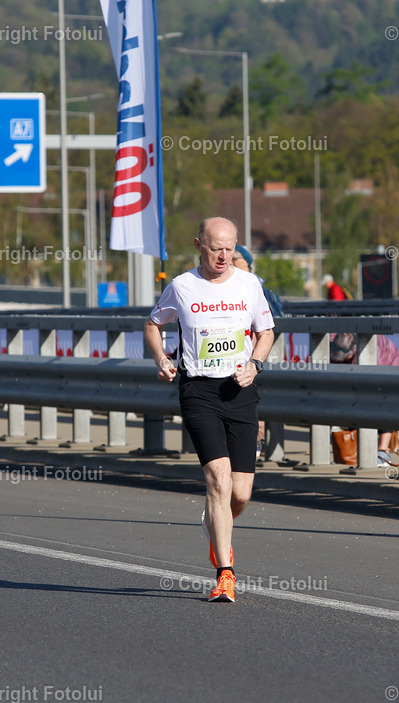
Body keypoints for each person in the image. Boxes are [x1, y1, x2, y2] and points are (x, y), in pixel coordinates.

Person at [145, 217, 275, 603]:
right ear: (199, 243)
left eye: (230, 248)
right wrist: (160, 359)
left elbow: (266, 332)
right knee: (217, 480)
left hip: (240, 389)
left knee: (240, 493)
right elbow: (153, 324)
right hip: (199, 390)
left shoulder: (249, 284)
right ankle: (225, 572)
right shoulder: (182, 286)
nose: (224, 256)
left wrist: (255, 364)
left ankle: (216, 524)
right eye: (216, 248)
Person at [231, 244, 283, 461]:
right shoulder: (222, 285)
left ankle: (255, 442)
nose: (230, 262)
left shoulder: (257, 287)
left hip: (257, 354)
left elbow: (272, 322)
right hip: (233, 355)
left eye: (235, 259)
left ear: (247, 263)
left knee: (256, 399)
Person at [330, 332, 399, 468]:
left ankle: (383, 451)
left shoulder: (373, 351)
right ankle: (358, 450)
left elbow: (375, 389)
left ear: (354, 349)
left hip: (390, 367)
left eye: (345, 359)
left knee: (383, 404)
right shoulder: (333, 339)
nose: (341, 361)